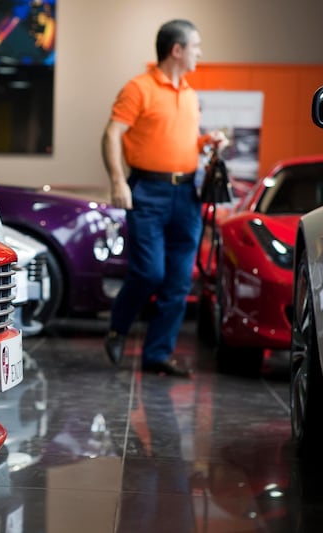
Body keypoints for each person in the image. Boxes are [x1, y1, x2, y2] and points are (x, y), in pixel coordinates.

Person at [100, 19, 228, 377]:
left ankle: (158, 353)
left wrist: (207, 141)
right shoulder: (138, 88)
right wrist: (117, 182)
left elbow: (182, 142)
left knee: (178, 280)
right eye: (196, 46)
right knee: (149, 272)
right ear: (177, 50)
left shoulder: (189, 94)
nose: (200, 53)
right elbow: (112, 134)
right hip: (148, 191)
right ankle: (117, 328)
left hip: (187, 193)